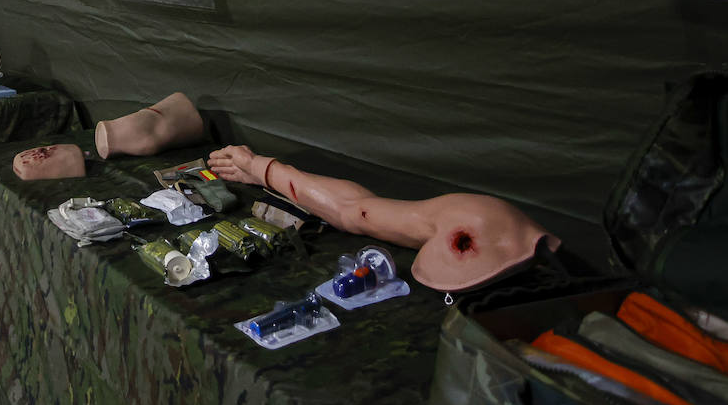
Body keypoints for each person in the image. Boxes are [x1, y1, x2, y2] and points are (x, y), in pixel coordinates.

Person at [207, 144, 560, 292]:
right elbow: (355, 211)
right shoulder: (469, 219)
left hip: (501, 244)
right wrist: (261, 172)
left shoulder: (477, 222)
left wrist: (262, 169)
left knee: (358, 211)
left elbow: (356, 212)